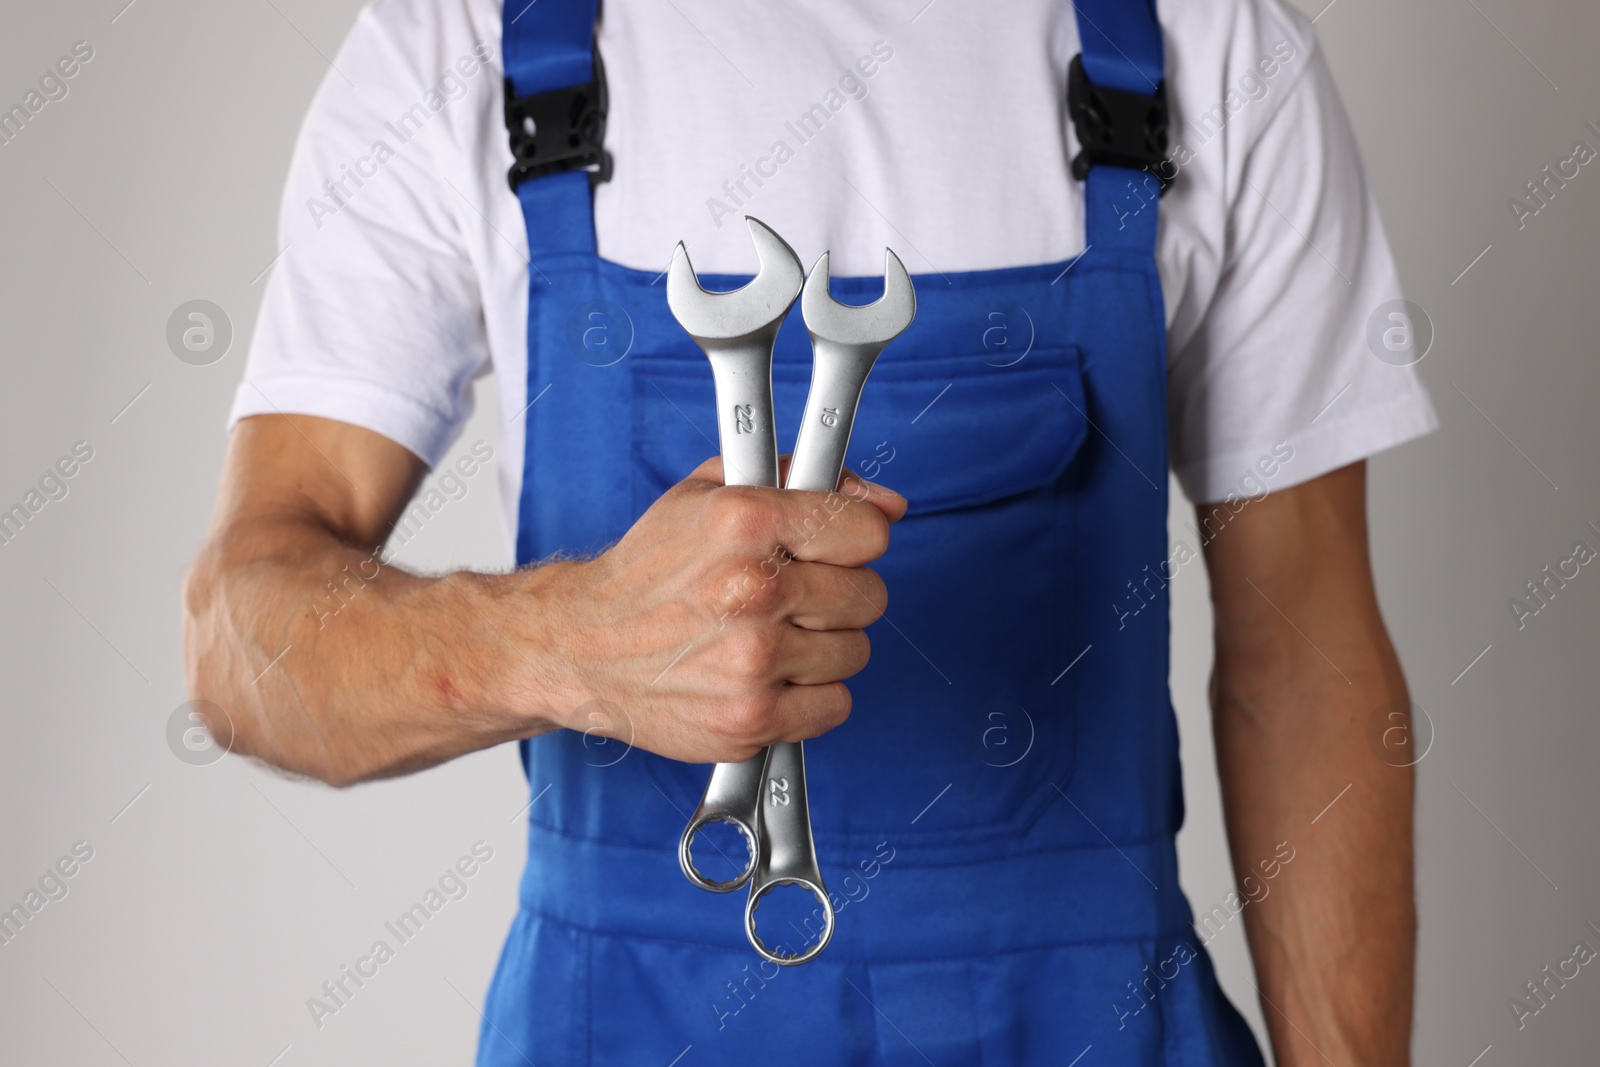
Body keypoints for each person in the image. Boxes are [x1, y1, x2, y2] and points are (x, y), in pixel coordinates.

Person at [183, 0, 1436, 1062]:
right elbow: (243, 644)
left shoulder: (1203, 37)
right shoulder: (463, 41)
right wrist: (564, 645)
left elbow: (1306, 656)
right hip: (620, 1018)